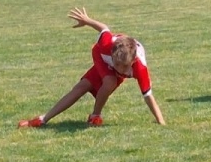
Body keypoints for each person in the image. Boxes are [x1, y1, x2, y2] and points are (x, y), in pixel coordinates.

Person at [18, 7, 166, 127]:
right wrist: (87, 20)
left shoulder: (140, 68)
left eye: (124, 66)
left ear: (133, 61)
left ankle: (94, 116)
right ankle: (44, 119)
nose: (120, 70)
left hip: (115, 60)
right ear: (112, 56)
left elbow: (148, 96)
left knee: (93, 84)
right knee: (103, 82)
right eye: (117, 65)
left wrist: (161, 122)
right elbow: (104, 28)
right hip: (101, 57)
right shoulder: (106, 44)